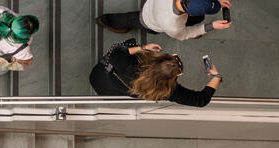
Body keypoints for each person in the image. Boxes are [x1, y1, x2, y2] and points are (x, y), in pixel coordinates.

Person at [89, 41, 222, 107]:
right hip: (113, 92)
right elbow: (201, 100)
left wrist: (143, 48)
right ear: (175, 77)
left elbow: (117, 51)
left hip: (99, 76)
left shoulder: (129, 64)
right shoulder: (168, 91)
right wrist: (215, 77)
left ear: (158, 59)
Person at [96, 0, 231, 40]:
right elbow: (185, 35)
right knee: (132, 20)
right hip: (149, 19)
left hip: (154, 0)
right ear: (190, 13)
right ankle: (105, 20)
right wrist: (211, 26)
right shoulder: (172, 25)